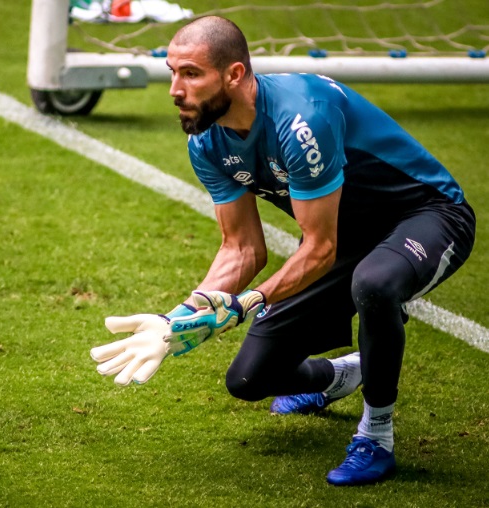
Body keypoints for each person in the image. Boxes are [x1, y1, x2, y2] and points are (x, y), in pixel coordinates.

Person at [90, 15, 476, 486]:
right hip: (345, 238)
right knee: (249, 379)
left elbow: (318, 247)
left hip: (427, 217)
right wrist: (176, 320)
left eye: (190, 74)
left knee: (374, 284)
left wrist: (247, 303)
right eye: (172, 71)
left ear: (233, 75)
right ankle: (345, 374)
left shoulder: (301, 119)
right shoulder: (206, 140)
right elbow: (242, 248)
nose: (174, 88)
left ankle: (376, 435)